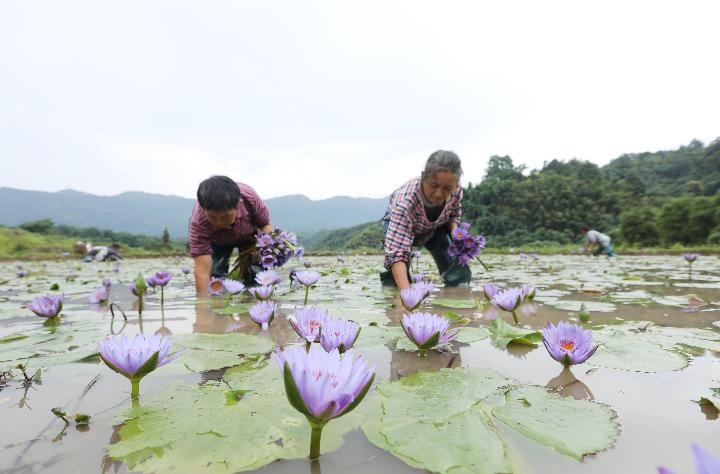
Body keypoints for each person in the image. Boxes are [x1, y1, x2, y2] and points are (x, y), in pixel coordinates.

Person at [380, 150, 471, 289]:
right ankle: (393, 290)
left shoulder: (456, 190)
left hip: (435, 227)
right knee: (397, 278)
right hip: (402, 225)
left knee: (451, 258)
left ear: (456, 184)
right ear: (423, 177)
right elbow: (397, 253)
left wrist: (455, 234)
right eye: (433, 186)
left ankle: (458, 288)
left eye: (447, 188)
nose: (438, 194)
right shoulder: (405, 203)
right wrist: (407, 295)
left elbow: (454, 213)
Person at [188, 175, 274, 295]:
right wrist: (202, 303)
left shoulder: (250, 199)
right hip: (217, 241)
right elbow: (202, 270)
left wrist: (262, 249)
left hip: (249, 238)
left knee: (255, 276)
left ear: (239, 205)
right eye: (212, 217)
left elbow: (265, 225)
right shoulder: (198, 221)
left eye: (225, 217)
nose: (219, 223)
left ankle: (252, 301)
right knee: (215, 278)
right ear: (203, 209)